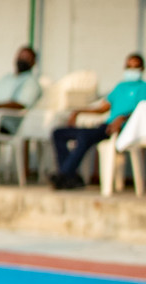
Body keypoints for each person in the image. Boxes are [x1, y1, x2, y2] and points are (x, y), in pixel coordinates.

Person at [50, 53, 146, 189]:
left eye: (135, 67)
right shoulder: (120, 87)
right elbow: (102, 108)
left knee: (84, 137)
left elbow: (142, 111)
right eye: (129, 66)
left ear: (142, 69)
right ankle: (68, 176)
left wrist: (123, 118)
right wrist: (78, 111)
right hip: (105, 126)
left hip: (121, 129)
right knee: (58, 133)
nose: (132, 70)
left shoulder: (143, 88)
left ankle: (64, 175)